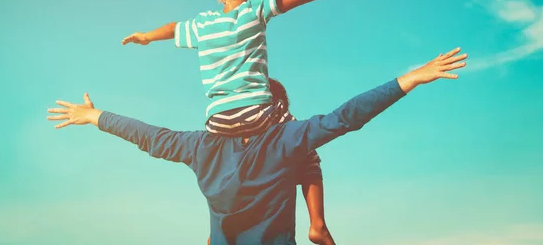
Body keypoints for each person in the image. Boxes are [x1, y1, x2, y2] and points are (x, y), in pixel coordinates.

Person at [48, 48, 467, 244]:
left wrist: (96, 117)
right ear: (274, 108)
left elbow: (149, 137)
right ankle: (318, 224)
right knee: (310, 151)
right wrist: (408, 80)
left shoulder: (200, 147)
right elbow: (345, 117)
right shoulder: (287, 140)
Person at [121, 0, 386, 243]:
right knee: (306, 145)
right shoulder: (254, 9)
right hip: (258, 114)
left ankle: (217, 231)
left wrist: (147, 36)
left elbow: (173, 28)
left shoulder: (202, 24)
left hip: (218, 122)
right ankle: (318, 224)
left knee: (217, 164)